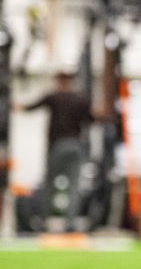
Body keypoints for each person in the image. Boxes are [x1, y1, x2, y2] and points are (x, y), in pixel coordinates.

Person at [14, 70, 96, 230]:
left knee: (49, 184)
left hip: (58, 146)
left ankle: (44, 221)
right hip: (76, 146)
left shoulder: (54, 97)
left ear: (59, 81)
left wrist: (20, 107)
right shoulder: (81, 99)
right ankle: (70, 223)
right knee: (74, 186)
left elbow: (33, 106)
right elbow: (92, 119)